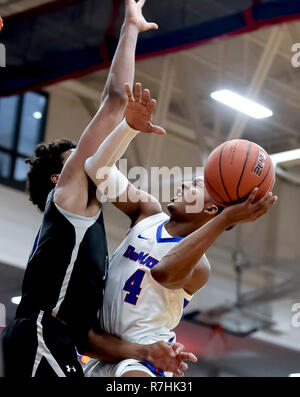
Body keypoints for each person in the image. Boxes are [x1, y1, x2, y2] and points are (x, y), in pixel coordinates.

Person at [1, 0, 194, 378]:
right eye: (76, 161)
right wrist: (129, 29)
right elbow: (115, 101)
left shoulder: (86, 232)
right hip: (40, 334)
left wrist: (146, 352)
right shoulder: (69, 200)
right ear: (59, 180)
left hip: (61, 342)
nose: (93, 158)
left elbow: (87, 338)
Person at [83, 82, 278, 377]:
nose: (185, 183)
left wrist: (227, 219)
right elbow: (97, 169)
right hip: (104, 347)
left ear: (212, 210)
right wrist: (128, 127)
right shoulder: (147, 212)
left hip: (148, 361)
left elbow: (163, 271)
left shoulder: (199, 266)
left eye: (198, 185)